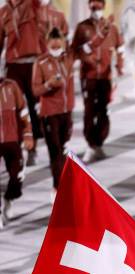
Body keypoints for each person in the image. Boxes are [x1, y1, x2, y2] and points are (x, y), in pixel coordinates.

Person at [72, 0, 124, 163]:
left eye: (100, 6)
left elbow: (120, 47)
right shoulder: (82, 28)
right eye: (94, 6)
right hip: (88, 76)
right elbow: (75, 50)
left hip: (105, 77)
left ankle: (99, 143)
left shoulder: (112, 28)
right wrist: (88, 60)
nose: (97, 9)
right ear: (89, 6)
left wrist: (119, 65)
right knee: (89, 110)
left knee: (103, 109)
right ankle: (91, 144)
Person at [32, 27, 74, 202]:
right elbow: (35, 90)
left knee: (63, 150)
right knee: (55, 151)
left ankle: (61, 185)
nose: (56, 45)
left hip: (66, 112)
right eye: (53, 43)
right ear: (47, 43)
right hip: (50, 114)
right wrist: (49, 84)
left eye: (59, 42)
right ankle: (58, 189)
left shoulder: (68, 58)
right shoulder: (40, 62)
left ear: (63, 42)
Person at [0, 0, 44, 166]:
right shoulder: (3, 12)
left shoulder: (32, 4)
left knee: (34, 106)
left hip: (33, 64)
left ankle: (33, 148)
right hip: (13, 66)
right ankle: (16, 147)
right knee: (14, 108)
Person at [0, 70, 34, 228]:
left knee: (18, 175)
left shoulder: (12, 86)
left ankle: (9, 198)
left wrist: (27, 134)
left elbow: (23, 111)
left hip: (12, 140)